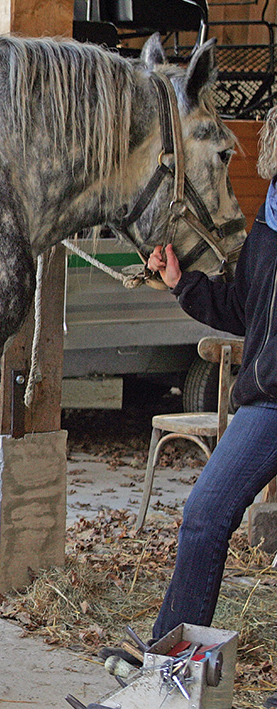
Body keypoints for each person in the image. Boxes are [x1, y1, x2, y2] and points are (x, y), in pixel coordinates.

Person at [144, 121, 277, 644]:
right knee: (204, 515)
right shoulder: (269, 220)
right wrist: (183, 284)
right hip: (267, 402)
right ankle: (170, 655)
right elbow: (245, 309)